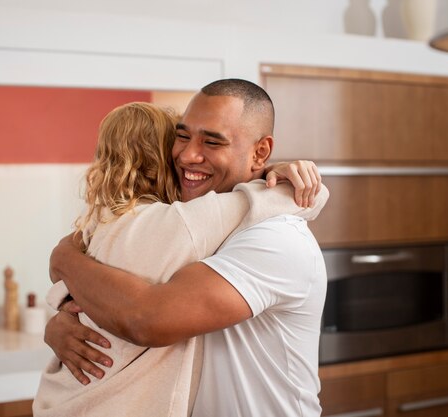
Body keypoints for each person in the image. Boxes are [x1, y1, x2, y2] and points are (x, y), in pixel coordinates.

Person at [45, 79, 327, 417]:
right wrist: (63, 319)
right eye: (182, 136)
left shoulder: (275, 240)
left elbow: (145, 318)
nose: (188, 155)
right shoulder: (190, 226)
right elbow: (109, 283)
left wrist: (64, 259)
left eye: (211, 141)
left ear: (261, 152)